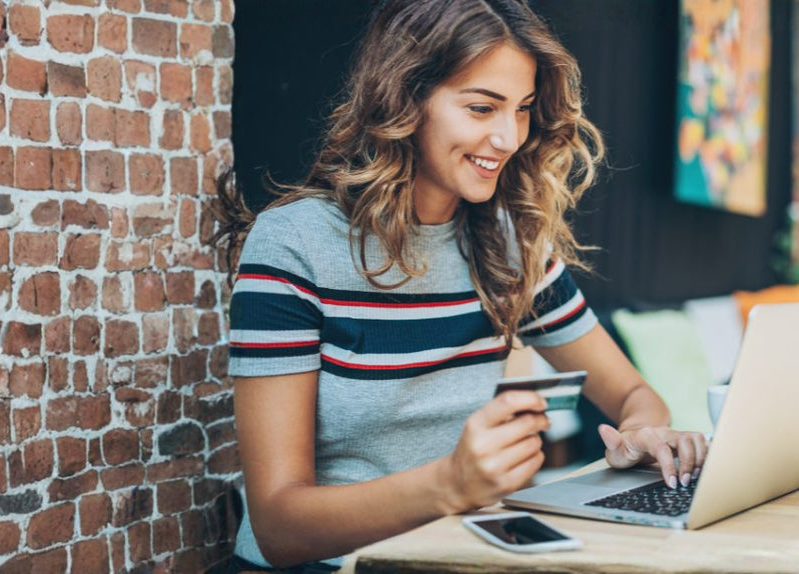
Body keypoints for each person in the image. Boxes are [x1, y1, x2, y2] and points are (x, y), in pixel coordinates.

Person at [207, 0, 708, 570]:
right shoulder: (295, 244)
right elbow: (277, 527)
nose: (508, 137)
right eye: (481, 108)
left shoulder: (510, 246)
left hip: (447, 559)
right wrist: (450, 484)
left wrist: (641, 434)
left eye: (522, 110)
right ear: (405, 99)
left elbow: (635, 395)